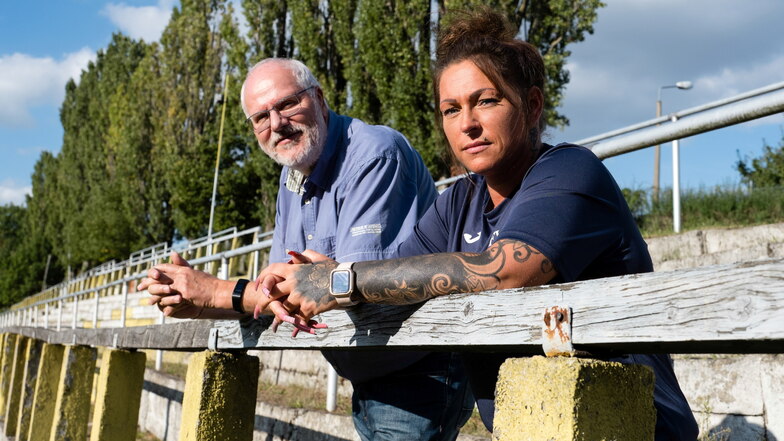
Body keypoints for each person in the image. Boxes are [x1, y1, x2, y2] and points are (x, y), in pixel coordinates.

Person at [242, 9, 699, 440]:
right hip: (528, 425)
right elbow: (396, 279)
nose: (469, 124)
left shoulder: (570, 172)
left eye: (486, 101)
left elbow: (506, 271)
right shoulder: (457, 202)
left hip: (633, 426)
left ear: (532, 105)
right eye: (451, 109)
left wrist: (339, 278)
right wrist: (308, 280)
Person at [139, 58, 473, 440]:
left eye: (286, 104)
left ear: (319, 98)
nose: (276, 123)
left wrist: (217, 291)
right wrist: (197, 304)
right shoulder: (291, 175)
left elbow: (347, 289)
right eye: (260, 117)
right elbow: (278, 294)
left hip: (418, 371)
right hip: (370, 372)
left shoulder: (375, 155)